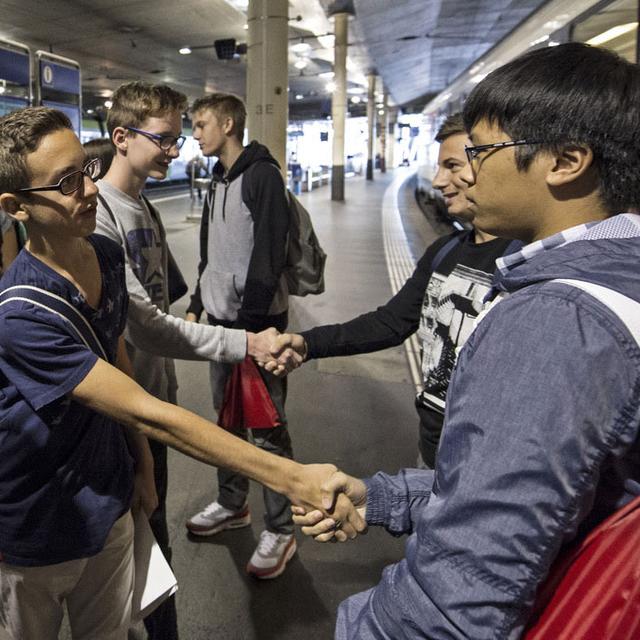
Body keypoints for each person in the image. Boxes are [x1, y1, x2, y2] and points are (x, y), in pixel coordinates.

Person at [293, 42, 640, 639]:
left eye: (481, 152)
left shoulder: (557, 319)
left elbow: (464, 592)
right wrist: (385, 498)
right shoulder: (618, 277)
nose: (461, 172)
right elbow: (559, 491)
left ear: (566, 160)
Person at [0, 107, 363, 640]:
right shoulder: (21, 315)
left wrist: (141, 467)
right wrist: (292, 476)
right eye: (66, 183)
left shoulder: (102, 252)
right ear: (16, 207)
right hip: (35, 525)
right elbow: (147, 409)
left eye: (87, 170)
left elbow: (116, 351)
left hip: (109, 499)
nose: (89, 191)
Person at [93, 81, 287, 639]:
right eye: (166, 140)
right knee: (138, 547)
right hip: (125, 409)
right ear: (122, 137)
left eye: (181, 139)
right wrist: (243, 341)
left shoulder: (145, 206)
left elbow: (168, 296)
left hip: (155, 393)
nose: (175, 151)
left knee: (151, 542)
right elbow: (146, 325)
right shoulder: (103, 215)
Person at [273, 113, 518, 468]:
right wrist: (309, 343)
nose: (438, 181)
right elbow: (392, 322)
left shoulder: (526, 264)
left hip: (486, 465)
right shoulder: (445, 250)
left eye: (452, 166)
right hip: (431, 450)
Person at [184, 93, 297, 579]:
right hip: (223, 325)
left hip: (257, 328)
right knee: (226, 421)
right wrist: (196, 297)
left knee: (266, 429)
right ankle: (234, 504)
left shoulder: (263, 177)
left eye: (201, 124)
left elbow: (269, 253)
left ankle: (283, 527)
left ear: (228, 124)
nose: (196, 133)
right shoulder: (218, 178)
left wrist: (251, 328)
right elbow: (211, 245)